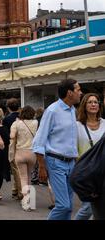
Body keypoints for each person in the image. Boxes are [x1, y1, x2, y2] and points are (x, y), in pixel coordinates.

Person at [32, 79, 82, 220]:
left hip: (71, 163)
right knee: (63, 206)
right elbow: (39, 140)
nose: (80, 93)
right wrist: (42, 167)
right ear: (69, 93)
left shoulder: (73, 110)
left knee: (69, 207)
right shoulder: (52, 111)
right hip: (56, 162)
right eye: (78, 90)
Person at [74, 93, 105, 220]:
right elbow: (73, 149)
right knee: (87, 208)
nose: (93, 104)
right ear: (84, 105)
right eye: (90, 102)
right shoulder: (77, 125)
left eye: (96, 102)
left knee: (99, 207)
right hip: (87, 172)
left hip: (102, 172)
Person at [10, 106, 38, 211]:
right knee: (29, 177)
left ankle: (26, 203)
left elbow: (12, 136)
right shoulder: (36, 123)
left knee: (23, 178)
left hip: (20, 152)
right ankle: (30, 201)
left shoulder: (16, 123)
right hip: (32, 152)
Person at [3, 98, 23, 200]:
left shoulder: (7, 119)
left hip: (13, 146)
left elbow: (7, 136)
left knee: (16, 169)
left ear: (8, 107)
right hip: (25, 146)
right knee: (21, 170)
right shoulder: (22, 117)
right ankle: (15, 190)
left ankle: (20, 192)